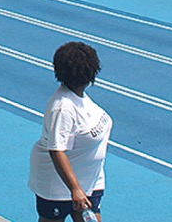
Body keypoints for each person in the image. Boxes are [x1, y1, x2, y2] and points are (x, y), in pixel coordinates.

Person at [28, 41, 111, 222]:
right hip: (59, 187)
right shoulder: (63, 108)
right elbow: (56, 150)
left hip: (89, 181)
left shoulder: (79, 97)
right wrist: (75, 188)